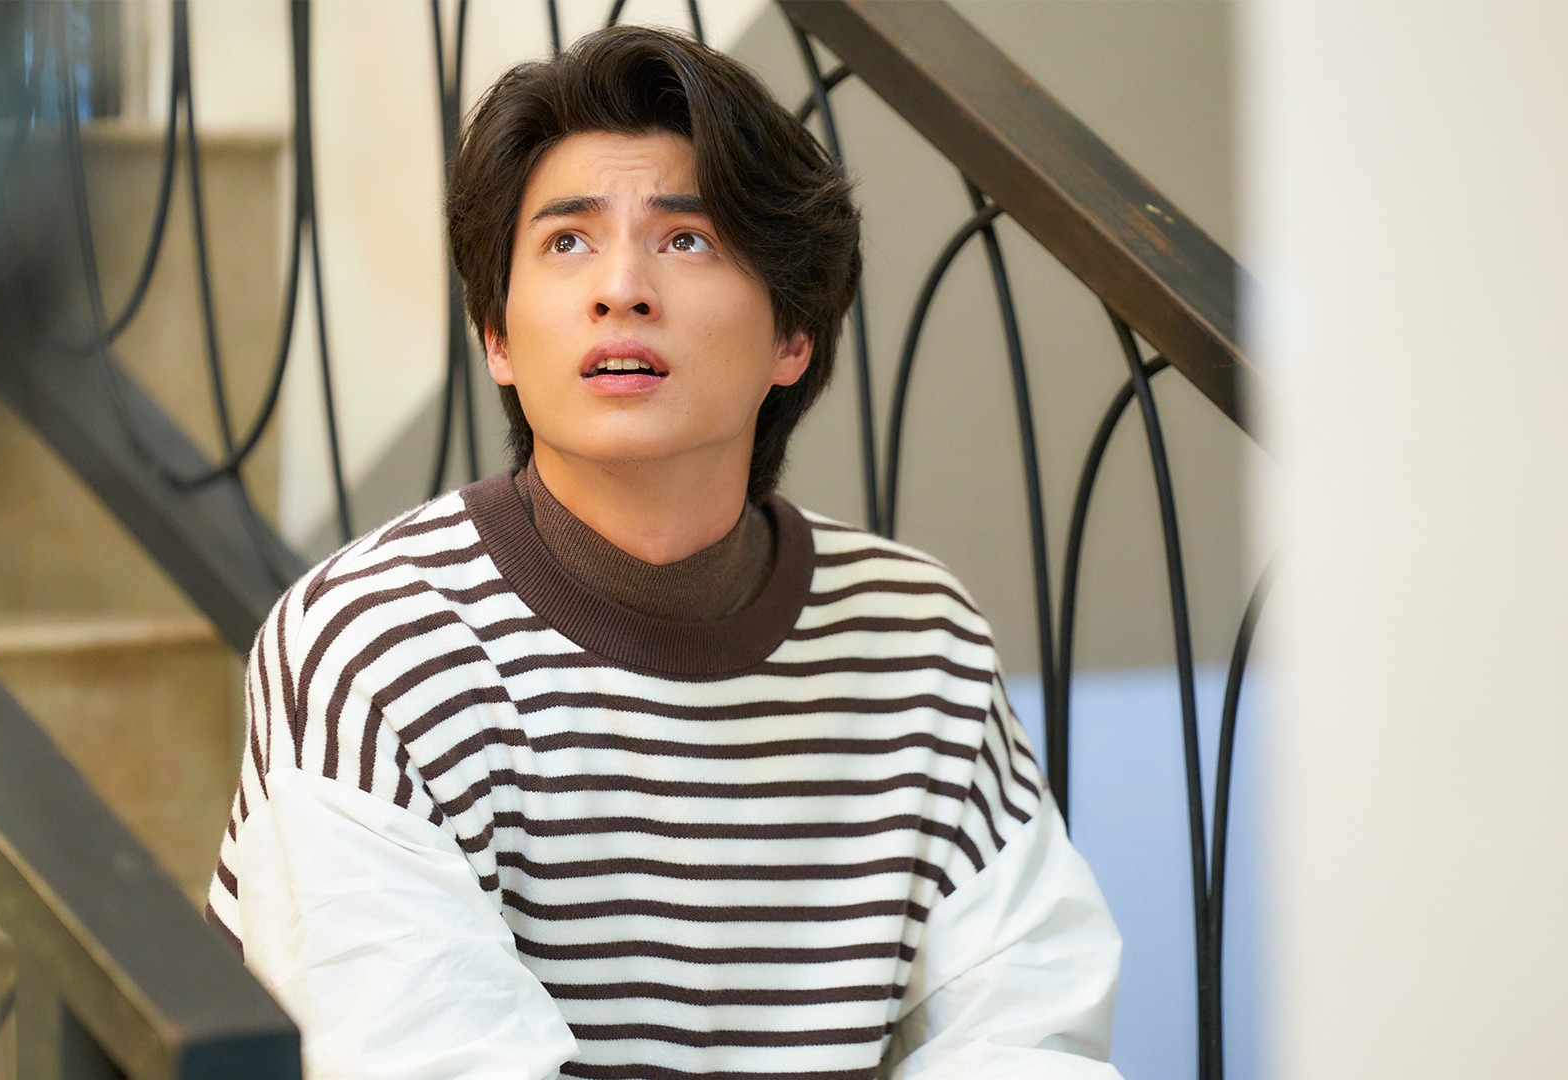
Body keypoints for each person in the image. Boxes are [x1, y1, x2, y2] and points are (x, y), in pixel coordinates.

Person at [207, 25, 1123, 1080]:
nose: (622, 288)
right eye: (567, 242)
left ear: (793, 336)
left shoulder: (917, 635)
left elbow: (1029, 1031)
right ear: (498, 335)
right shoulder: (370, 643)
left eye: (687, 240)